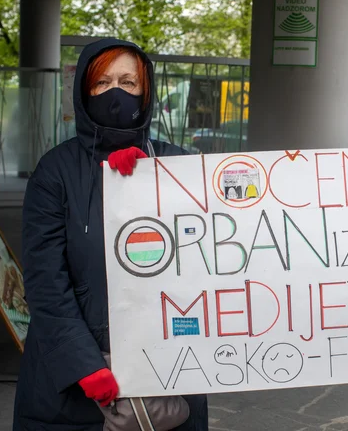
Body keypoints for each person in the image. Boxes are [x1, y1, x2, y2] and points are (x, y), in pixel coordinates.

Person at [13, 38, 208, 430]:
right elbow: (45, 282)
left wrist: (153, 186)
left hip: (165, 376)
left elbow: (213, 259)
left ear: (146, 91)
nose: (115, 92)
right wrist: (83, 364)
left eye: (127, 82)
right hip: (72, 388)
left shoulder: (178, 167)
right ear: (84, 92)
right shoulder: (54, 172)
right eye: (102, 83)